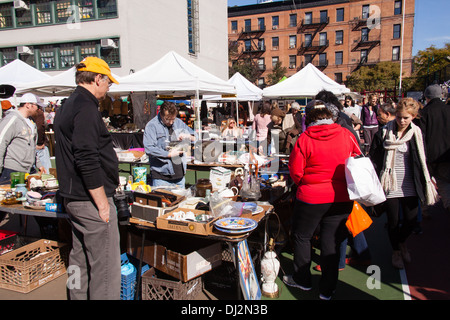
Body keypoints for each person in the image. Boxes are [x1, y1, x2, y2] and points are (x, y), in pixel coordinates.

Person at [53, 56, 121, 300]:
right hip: (90, 200)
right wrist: (103, 205)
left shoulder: (68, 104)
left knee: (78, 259)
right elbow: (86, 158)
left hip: (74, 197)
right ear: (97, 78)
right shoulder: (85, 107)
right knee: (105, 268)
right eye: (108, 82)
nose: (108, 87)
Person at [285, 102, 361, 300]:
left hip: (311, 196)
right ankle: (328, 289)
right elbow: (357, 160)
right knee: (331, 242)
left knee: (303, 237)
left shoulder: (305, 139)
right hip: (341, 197)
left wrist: (306, 184)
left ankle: (302, 279)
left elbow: (296, 170)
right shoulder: (346, 135)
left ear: (309, 121)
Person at [369, 98, 439, 269]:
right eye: (399, 117)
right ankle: (396, 251)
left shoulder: (417, 133)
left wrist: (428, 177)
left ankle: (401, 242)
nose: (402, 121)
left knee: (411, 220)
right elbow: (374, 158)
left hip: (411, 183)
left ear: (414, 117)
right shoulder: (384, 133)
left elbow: (423, 158)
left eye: (406, 118)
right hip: (389, 183)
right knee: (393, 222)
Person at [144, 101, 195, 188]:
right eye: (168, 119)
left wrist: (188, 136)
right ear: (161, 114)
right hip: (162, 177)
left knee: (181, 201)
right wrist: (169, 154)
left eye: (173, 119)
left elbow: (195, 137)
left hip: (179, 176)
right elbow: (149, 148)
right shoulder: (152, 126)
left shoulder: (178, 122)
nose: (171, 122)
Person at [417, 84, 450, 213]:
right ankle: (448, 203)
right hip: (446, 154)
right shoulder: (448, 110)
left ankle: (424, 209)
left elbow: (421, 135)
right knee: (445, 181)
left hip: (428, 153)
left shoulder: (423, 113)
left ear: (426, 97)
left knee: (426, 181)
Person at [0, 93, 45, 185]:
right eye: (37, 106)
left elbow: (32, 146)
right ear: (28, 105)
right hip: (11, 171)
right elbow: (1, 142)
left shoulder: (31, 123)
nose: (39, 109)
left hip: (28, 170)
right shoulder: (12, 119)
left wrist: (39, 164)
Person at [32, 103, 51, 174]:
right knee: (46, 174)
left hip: (33, 147)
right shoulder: (39, 113)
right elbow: (40, 128)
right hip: (39, 147)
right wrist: (39, 144)